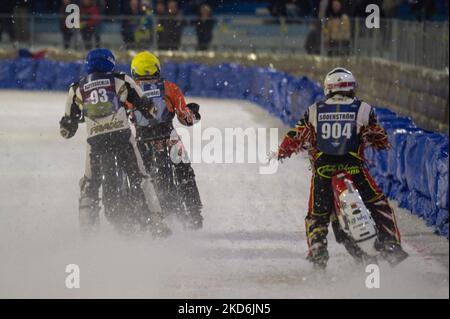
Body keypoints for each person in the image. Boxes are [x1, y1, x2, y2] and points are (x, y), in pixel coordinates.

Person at [275, 67, 409, 269]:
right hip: (354, 170)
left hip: (323, 172)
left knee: (316, 216)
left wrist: (283, 151)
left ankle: (318, 249)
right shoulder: (363, 109)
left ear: (328, 88)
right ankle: (391, 245)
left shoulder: (314, 110)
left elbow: (295, 136)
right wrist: (376, 140)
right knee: (379, 203)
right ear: (351, 88)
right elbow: (378, 136)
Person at [59, 48, 171, 238]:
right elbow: (145, 105)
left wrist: (69, 126)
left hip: (95, 141)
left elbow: (67, 127)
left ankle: (87, 231)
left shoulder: (76, 88)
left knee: (89, 183)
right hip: (121, 136)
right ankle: (157, 221)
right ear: (111, 63)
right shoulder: (121, 79)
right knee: (141, 176)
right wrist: (150, 112)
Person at [130, 51, 204, 229]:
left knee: (140, 178)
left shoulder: (130, 90)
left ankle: (142, 215)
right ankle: (194, 212)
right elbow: (185, 118)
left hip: (142, 140)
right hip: (169, 136)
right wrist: (194, 114)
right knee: (185, 171)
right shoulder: (170, 88)